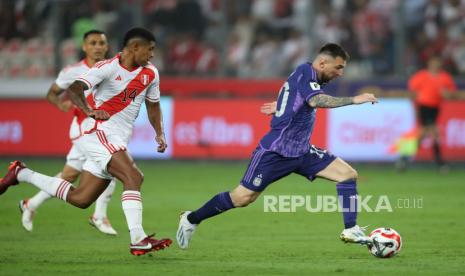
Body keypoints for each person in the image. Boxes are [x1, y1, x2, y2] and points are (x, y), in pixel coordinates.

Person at [176, 43, 378, 249]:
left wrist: (284, 105)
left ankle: (351, 228)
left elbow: (295, 94)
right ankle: (191, 219)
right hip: (275, 151)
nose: (340, 73)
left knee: (347, 174)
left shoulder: (309, 75)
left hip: (301, 151)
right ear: (323, 62)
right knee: (243, 197)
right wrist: (355, 99)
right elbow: (317, 100)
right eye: (338, 67)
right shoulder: (306, 73)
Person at [0, 27, 172, 256]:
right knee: (134, 176)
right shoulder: (106, 68)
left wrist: (159, 133)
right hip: (99, 131)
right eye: (149, 50)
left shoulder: (151, 73)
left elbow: (153, 105)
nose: (152, 55)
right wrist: (89, 110)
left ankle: (21, 173)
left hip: (118, 136)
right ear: (134, 48)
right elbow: (75, 88)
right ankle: (138, 238)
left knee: (81, 199)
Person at [19, 30, 118, 235]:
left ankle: (31, 204)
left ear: (107, 46)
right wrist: (60, 104)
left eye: (101, 43)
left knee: (69, 175)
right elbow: (52, 93)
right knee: (112, 165)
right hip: (83, 128)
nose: (98, 47)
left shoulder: (112, 68)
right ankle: (99, 215)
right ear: (84, 47)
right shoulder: (72, 71)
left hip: (101, 128)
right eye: (93, 43)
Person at [401, 56, 457, 172]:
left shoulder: (445, 77)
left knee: (423, 133)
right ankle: (439, 162)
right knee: (434, 131)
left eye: (437, 63)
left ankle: (404, 157)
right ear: (429, 64)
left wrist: (446, 94)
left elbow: (450, 94)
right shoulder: (421, 76)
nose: (435, 65)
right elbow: (413, 91)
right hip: (424, 106)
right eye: (433, 63)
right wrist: (415, 102)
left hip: (435, 107)